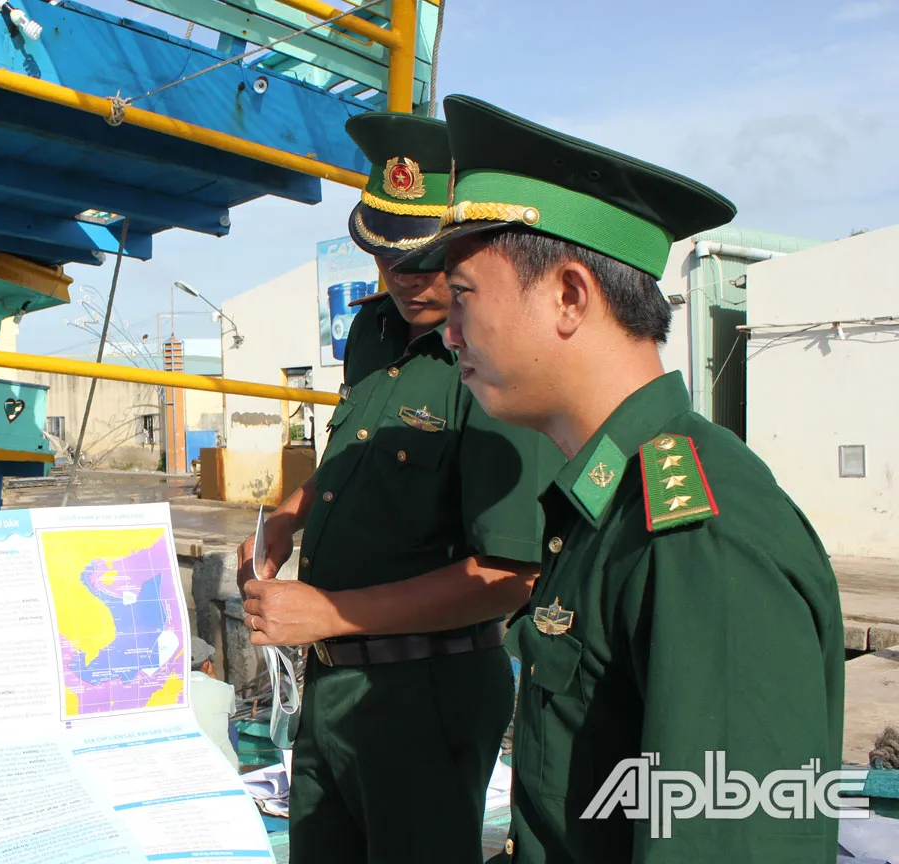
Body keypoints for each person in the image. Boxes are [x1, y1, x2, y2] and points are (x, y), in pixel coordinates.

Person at [392, 95, 846, 862]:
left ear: (569, 296)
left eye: (464, 297)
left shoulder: (699, 538)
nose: (449, 329)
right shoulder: (605, 504)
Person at [236, 111, 563, 863]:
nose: (405, 280)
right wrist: (291, 514)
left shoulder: (496, 362)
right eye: (386, 258)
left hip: (424, 693)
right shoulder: (376, 330)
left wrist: (328, 610)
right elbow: (363, 450)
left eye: (425, 259)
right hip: (333, 681)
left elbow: (509, 574)